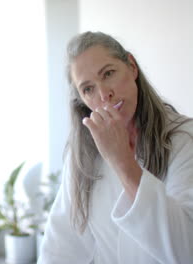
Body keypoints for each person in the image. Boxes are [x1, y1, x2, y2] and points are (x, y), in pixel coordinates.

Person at [38, 31, 193, 263]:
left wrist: (122, 161)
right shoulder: (81, 154)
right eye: (88, 89)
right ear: (82, 100)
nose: (104, 94)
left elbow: (185, 250)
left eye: (108, 73)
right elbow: (60, 247)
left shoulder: (184, 139)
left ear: (131, 66)